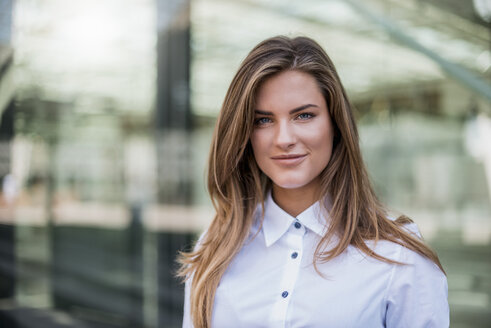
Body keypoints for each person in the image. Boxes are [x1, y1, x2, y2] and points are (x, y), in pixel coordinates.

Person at [178, 36, 449, 328]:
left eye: (304, 115)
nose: (283, 140)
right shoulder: (218, 244)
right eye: (263, 120)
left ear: (335, 124)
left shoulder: (397, 252)